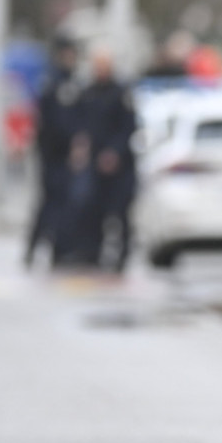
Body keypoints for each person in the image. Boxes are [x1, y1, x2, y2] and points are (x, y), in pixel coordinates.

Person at [76, 47, 139, 273]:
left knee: (121, 212)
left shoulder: (121, 93)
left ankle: (122, 256)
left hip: (120, 165)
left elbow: (129, 127)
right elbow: (83, 125)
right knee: (94, 211)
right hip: (94, 164)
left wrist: (114, 152)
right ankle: (94, 253)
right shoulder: (88, 92)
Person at [24, 36, 80, 268]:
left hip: (67, 154)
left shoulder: (72, 81)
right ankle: (34, 248)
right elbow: (48, 121)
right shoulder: (51, 81)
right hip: (51, 153)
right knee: (49, 203)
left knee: (64, 204)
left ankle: (59, 251)